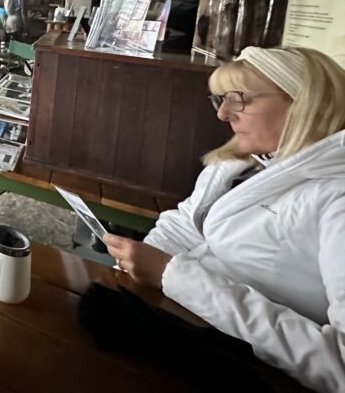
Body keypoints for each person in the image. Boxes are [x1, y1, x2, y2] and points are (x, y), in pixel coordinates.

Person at [104, 46, 345, 391]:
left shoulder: (337, 198)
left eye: (240, 99)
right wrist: (134, 268)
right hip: (179, 329)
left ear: (304, 103)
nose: (224, 114)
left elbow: (338, 365)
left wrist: (172, 276)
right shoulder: (240, 163)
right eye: (221, 99)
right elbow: (186, 222)